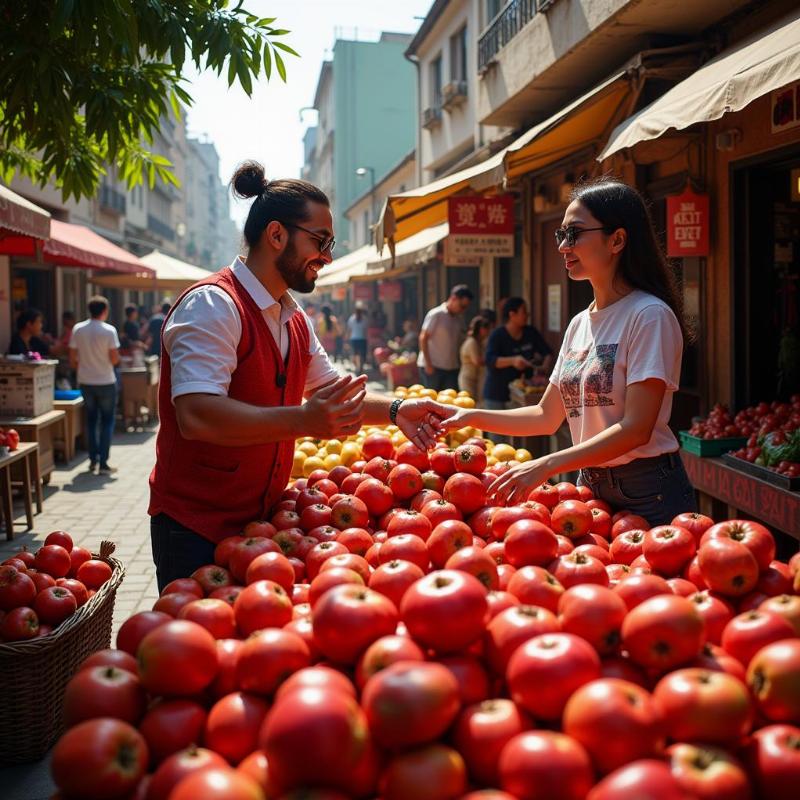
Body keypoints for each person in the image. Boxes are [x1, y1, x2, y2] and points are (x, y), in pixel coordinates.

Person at [148, 160, 451, 590]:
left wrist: (397, 409)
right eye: (321, 240)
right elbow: (196, 416)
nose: (327, 256)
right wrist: (303, 421)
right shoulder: (213, 306)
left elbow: (332, 391)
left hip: (262, 521)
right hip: (195, 527)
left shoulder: (292, 317)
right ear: (276, 235)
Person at [438, 178, 697, 526]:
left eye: (573, 234)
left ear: (617, 239)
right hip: (588, 484)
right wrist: (469, 416)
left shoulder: (649, 315)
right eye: (561, 235)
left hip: (649, 489)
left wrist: (548, 464)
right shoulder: (579, 324)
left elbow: (637, 428)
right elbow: (546, 415)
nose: (563, 247)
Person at [69, 296, 121, 474]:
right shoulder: (109, 331)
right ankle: (104, 462)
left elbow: (72, 359)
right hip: (106, 380)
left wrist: (84, 368)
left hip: (85, 380)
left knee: (91, 421)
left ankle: (92, 460)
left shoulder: (78, 329)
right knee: (107, 421)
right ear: (104, 311)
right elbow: (114, 359)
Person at [483, 297, 552, 415]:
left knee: (520, 431)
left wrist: (544, 368)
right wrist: (513, 361)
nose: (527, 315)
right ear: (512, 314)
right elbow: (490, 360)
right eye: (524, 312)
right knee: (497, 432)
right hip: (497, 393)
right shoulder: (497, 335)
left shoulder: (530, 332)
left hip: (522, 394)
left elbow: (548, 353)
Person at [417, 284, 474, 391]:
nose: (463, 310)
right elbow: (423, 338)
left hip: (452, 367)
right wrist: (428, 364)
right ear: (453, 299)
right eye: (462, 306)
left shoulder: (459, 319)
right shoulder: (436, 314)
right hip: (433, 367)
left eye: (466, 307)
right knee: (432, 401)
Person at [459, 315, 490, 402]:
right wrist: (493, 360)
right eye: (487, 329)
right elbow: (477, 361)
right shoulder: (472, 342)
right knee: (469, 403)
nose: (488, 332)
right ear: (481, 330)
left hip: (476, 378)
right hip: (468, 379)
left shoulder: (479, 342)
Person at [346, 302, 369, 373]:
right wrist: (367, 339)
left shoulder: (351, 318)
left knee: (355, 354)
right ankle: (361, 367)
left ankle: (357, 368)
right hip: (362, 339)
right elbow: (365, 331)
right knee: (361, 354)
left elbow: (349, 330)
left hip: (354, 339)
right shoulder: (364, 319)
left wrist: (347, 339)